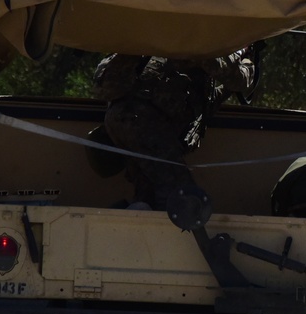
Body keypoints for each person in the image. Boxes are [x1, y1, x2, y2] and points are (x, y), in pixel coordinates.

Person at [92, 51, 256, 210]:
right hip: (145, 121)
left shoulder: (164, 42)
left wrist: (227, 88)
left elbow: (204, 103)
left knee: (148, 191)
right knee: (181, 194)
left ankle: (136, 227)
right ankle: (177, 236)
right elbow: (237, 79)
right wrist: (248, 64)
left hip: (125, 118)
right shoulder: (202, 40)